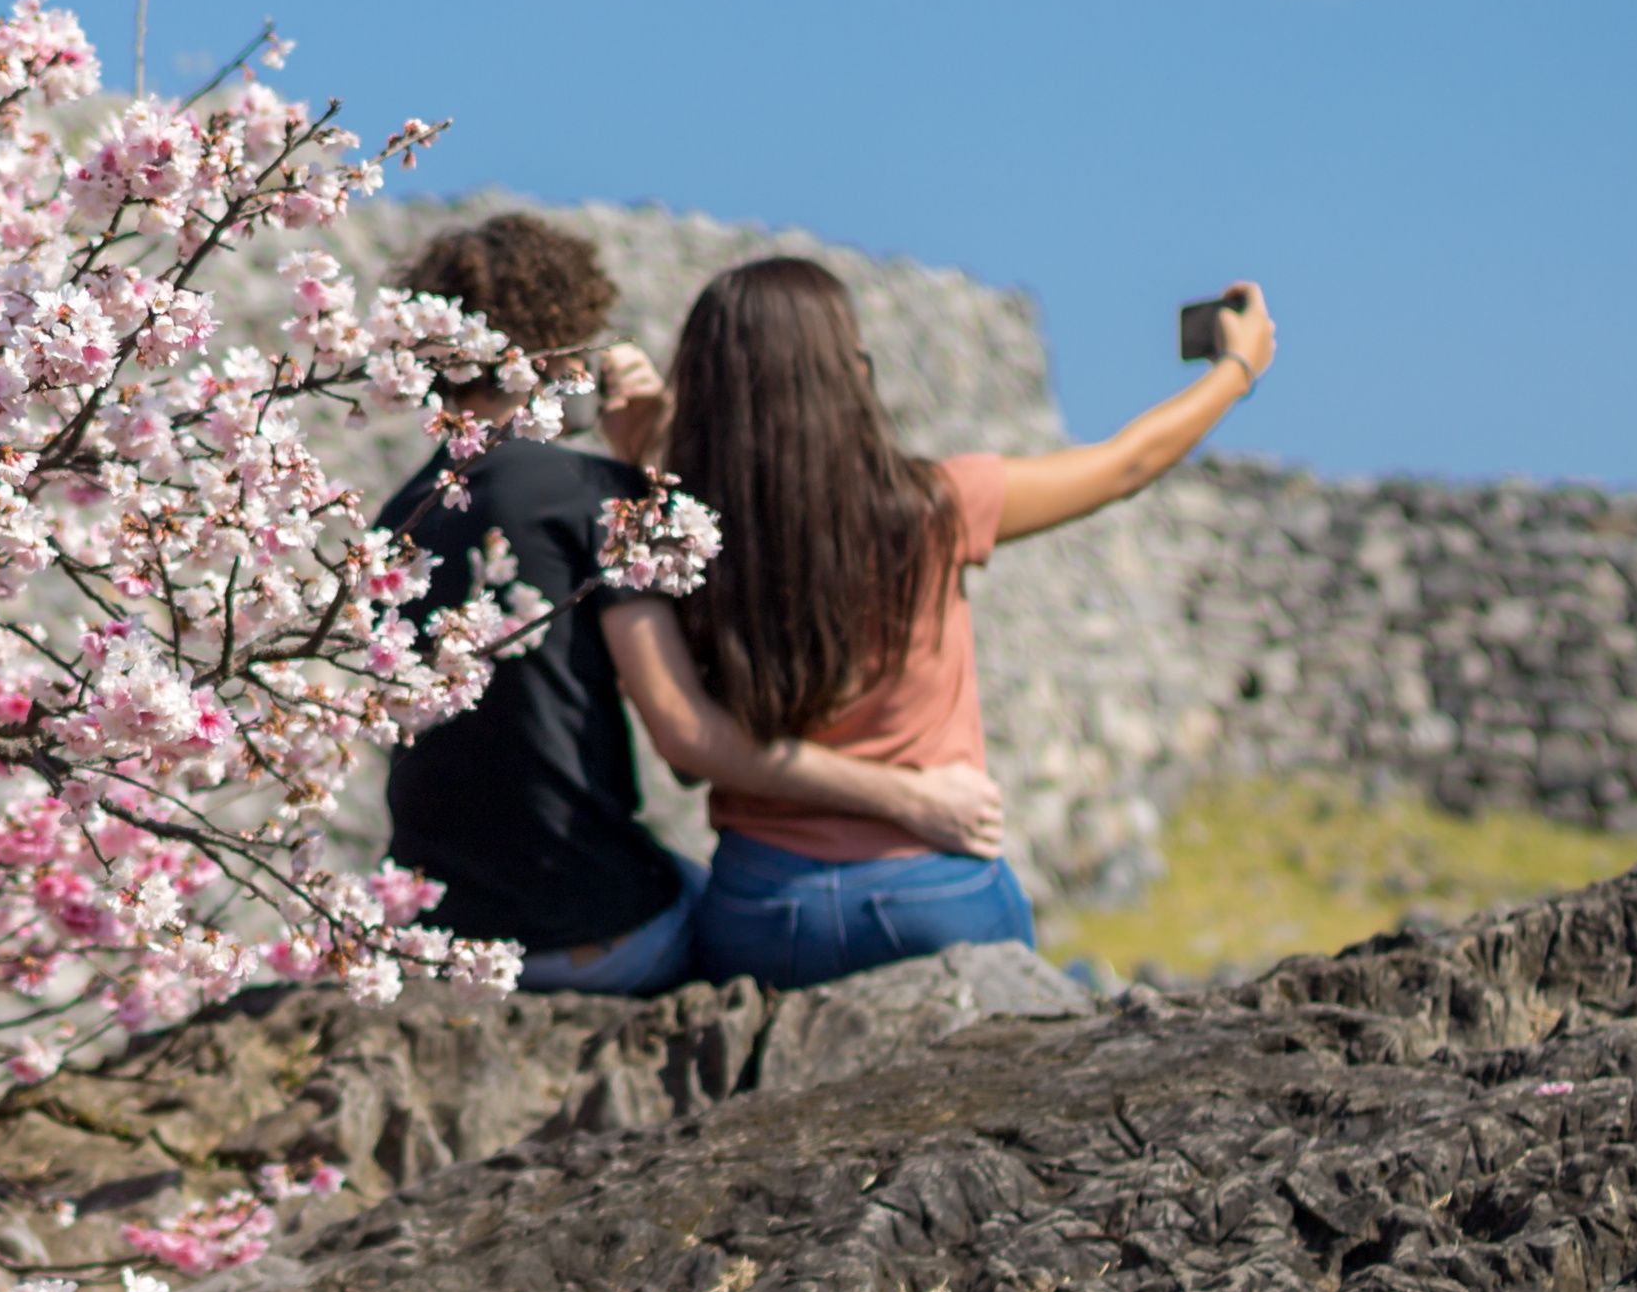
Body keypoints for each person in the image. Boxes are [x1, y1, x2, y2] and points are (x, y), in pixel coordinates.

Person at [606, 256, 1275, 989]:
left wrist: (642, 458)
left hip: (764, 909)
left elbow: (687, 737)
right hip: (934, 891)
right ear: (845, 373)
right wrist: (1237, 368)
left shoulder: (666, 534)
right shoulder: (935, 508)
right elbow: (1125, 465)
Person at [374, 217, 991, 993]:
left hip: (442, 932)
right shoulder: (594, 498)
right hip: (594, 927)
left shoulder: (390, 523)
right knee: (747, 913)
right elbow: (690, 739)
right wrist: (915, 798)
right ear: (568, 346)